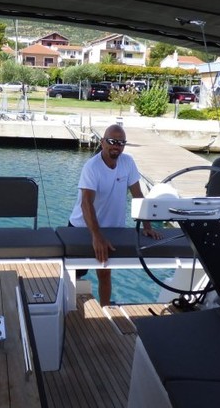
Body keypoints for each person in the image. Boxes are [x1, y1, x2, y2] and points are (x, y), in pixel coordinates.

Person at [68, 124, 161, 306]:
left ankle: (105, 309)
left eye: (121, 143)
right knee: (73, 273)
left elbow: (138, 195)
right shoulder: (91, 167)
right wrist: (96, 236)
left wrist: (147, 226)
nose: (116, 146)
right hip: (83, 227)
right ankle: (69, 309)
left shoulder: (128, 162)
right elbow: (86, 203)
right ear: (102, 142)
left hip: (111, 229)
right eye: (112, 141)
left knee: (105, 272)